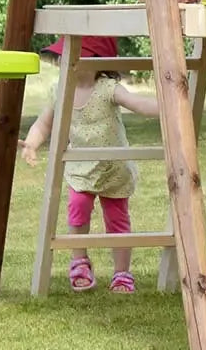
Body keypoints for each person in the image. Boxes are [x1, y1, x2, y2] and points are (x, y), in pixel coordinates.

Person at [19, 36, 160, 293]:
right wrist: (32, 142)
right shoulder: (61, 89)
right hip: (80, 167)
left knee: (117, 221)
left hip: (113, 168)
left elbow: (138, 104)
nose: (64, 60)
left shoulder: (108, 88)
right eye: (63, 55)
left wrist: (165, 106)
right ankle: (79, 261)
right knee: (77, 208)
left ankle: (122, 273)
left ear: (96, 61)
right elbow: (44, 123)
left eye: (73, 55)